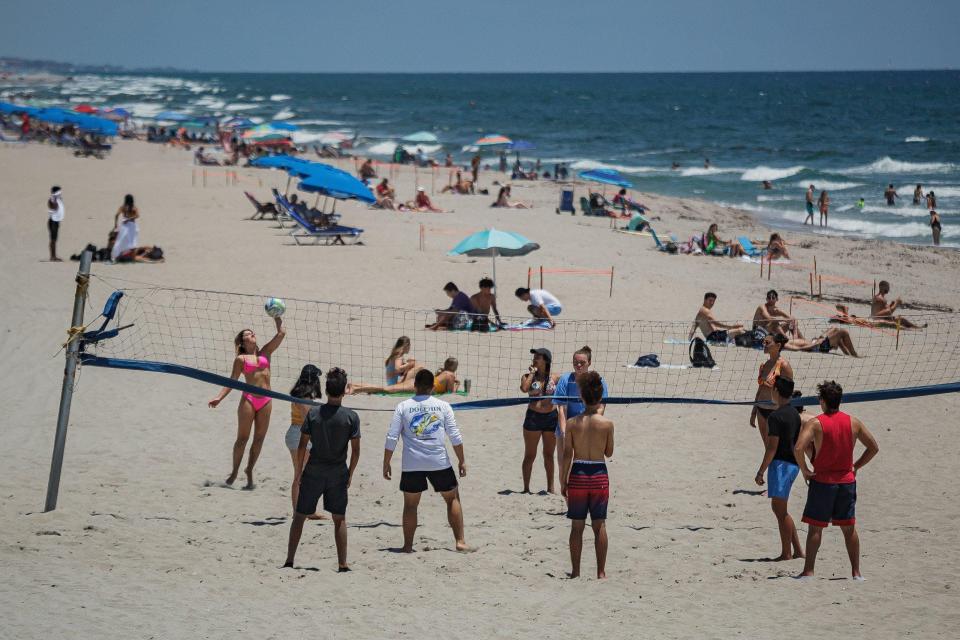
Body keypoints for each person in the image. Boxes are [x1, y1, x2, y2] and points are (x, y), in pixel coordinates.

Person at [794, 380, 880, 579]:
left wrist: (806, 470)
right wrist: (856, 466)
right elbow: (874, 447)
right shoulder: (853, 422)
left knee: (816, 528)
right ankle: (856, 573)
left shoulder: (816, 423)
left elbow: (798, 448)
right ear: (840, 400)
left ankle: (808, 571)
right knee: (849, 529)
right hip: (846, 482)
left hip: (823, 481)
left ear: (822, 401)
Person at [383, 368, 468, 552]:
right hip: (438, 461)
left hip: (412, 463)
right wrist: (461, 460)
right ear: (432, 387)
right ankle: (460, 542)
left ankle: (407, 546)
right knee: (452, 498)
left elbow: (392, 437)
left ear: (414, 386)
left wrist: (386, 462)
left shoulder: (403, 406)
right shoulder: (443, 406)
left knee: (411, 504)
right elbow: (455, 436)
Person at [284, 367, 360, 572]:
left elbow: (302, 446)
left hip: (314, 469)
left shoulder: (315, 414)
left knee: (299, 516)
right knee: (339, 519)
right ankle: (342, 564)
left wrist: (299, 471)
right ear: (344, 391)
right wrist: (351, 474)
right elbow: (356, 452)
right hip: (337, 471)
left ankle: (290, 560)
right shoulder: (351, 417)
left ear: (325, 391)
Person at [208, 316, 286, 488]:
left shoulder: (265, 352)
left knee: (259, 439)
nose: (252, 335)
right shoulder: (241, 359)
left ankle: (249, 469)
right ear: (242, 342)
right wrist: (219, 398)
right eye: (248, 335)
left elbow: (281, 334)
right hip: (249, 400)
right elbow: (232, 381)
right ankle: (235, 471)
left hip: (266, 400)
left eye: (252, 333)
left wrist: (277, 317)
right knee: (242, 439)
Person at [560, 371, 614, 579]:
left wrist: (563, 480)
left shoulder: (572, 423)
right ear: (600, 397)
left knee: (577, 526)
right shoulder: (607, 424)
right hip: (599, 473)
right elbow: (608, 453)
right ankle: (601, 572)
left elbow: (567, 454)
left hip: (579, 474)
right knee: (599, 524)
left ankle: (576, 572)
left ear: (581, 396)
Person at [754, 375, 805, 561]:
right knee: (781, 510)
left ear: (776, 391)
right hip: (792, 464)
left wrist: (761, 471)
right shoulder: (794, 414)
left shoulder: (775, 417)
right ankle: (798, 551)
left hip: (781, 464)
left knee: (780, 510)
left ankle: (787, 553)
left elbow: (771, 448)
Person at [553, 346, 608, 479]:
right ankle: (566, 494)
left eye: (582, 363)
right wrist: (565, 433)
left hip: (589, 424)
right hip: (567, 425)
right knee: (563, 464)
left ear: (589, 363)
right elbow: (561, 409)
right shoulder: (566, 380)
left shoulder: (597, 381)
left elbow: (601, 407)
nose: (578, 365)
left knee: (585, 464)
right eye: (575, 362)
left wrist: (589, 426)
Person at [520, 348, 560, 493]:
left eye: (538, 357)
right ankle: (526, 489)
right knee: (530, 455)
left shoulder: (555, 378)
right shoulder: (527, 376)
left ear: (546, 360)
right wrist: (532, 372)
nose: (535, 358)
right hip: (533, 417)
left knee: (549, 454)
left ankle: (551, 488)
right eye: (534, 356)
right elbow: (524, 389)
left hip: (551, 417)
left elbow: (568, 389)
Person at [286, 364, 323, 517]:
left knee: (302, 475)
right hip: (300, 435)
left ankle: (302, 511)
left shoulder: (299, 394)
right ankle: (301, 511)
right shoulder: (304, 398)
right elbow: (309, 421)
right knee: (302, 476)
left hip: (295, 433)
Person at [751, 333, 795, 448]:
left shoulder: (784, 366)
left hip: (775, 412)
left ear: (778, 345)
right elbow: (760, 389)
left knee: (776, 449)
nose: (763, 344)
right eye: (763, 342)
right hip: (761, 410)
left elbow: (789, 393)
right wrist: (753, 412)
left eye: (767, 342)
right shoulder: (765, 365)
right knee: (767, 448)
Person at [783, 327, 860, 357]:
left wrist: (793, 327)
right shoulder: (785, 344)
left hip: (815, 342)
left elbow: (800, 340)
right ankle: (854, 354)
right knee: (843, 332)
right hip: (819, 347)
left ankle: (847, 354)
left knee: (835, 329)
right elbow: (800, 348)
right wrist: (815, 344)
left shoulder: (788, 341)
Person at [111, 194, 140, 262]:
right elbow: (137, 215)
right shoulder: (133, 207)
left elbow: (116, 215)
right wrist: (129, 218)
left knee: (120, 240)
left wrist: (116, 225)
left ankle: (116, 255)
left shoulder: (123, 207)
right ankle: (133, 257)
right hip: (132, 226)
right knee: (132, 242)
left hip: (124, 226)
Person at [46, 186, 64, 262]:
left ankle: (54, 255)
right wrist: (55, 198)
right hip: (52, 221)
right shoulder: (52, 199)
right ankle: (52, 256)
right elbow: (54, 207)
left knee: (55, 239)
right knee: (53, 239)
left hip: (56, 221)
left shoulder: (58, 199)